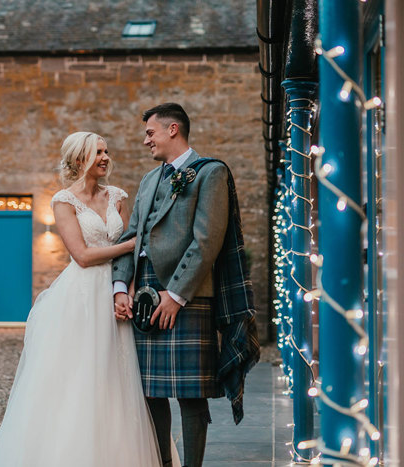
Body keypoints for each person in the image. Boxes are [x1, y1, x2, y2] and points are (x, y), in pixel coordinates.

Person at [0, 131, 178, 466]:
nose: (104, 157)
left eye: (105, 151)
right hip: (82, 295)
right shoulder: (63, 201)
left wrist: (126, 289)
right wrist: (132, 244)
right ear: (78, 160)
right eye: (96, 152)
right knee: (81, 376)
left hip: (118, 291)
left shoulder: (117, 195)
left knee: (121, 376)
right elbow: (83, 255)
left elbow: (128, 248)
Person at [112, 103, 260, 467]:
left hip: (187, 295)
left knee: (191, 394)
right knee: (150, 392)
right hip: (143, 295)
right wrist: (120, 286)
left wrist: (176, 295)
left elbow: (207, 239)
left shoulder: (211, 173)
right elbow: (133, 237)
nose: (146, 140)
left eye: (151, 132)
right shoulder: (149, 180)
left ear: (173, 129)